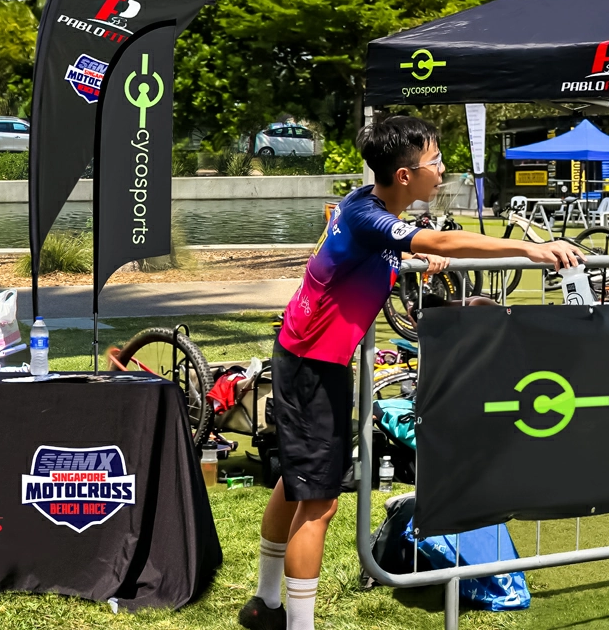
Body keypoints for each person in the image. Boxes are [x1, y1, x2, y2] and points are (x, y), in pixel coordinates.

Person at [243, 116, 583, 630]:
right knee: (319, 505)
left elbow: (380, 251)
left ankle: (265, 603)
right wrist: (529, 248)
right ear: (405, 176)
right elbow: (434, 241)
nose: (442, 168)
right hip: (311, 366)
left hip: (308, 358)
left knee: (296, 485)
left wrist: (416, 257)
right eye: (434, 161)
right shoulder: (370, 216)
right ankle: (295, 623)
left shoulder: (366, 203)